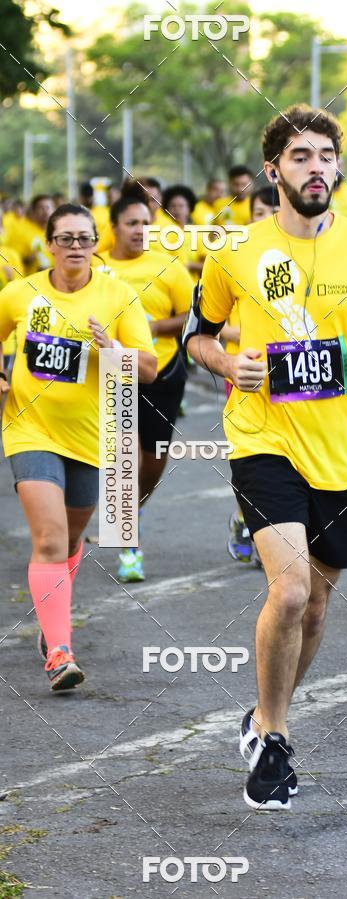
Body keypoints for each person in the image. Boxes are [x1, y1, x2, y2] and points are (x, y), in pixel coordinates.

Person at [184, 104, 347, 809]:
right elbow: (198, 338)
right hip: (264, 438)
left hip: (344, 451)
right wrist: (230, 364)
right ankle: (276, 736)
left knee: (316, 610)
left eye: (325, 155)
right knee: (288, 591)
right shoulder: (237, 251)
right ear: (274, 170)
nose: (315, 166)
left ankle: (261, 716)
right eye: (300, 156)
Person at [0, 203, 156, 690]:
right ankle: (60, 652)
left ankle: (53, 625)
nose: (74, 247)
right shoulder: (19, 294)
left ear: (96, 244)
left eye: (83, 238)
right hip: (30, 428)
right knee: (47, 539)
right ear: (48, 244)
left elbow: (149, 368)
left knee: (69, 541)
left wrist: (115, 353)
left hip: (94, 437)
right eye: (64, 238)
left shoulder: (118, 295)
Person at [97, 196, 194, 582]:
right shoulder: (97, 267)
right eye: (131, 223)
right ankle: (129, 544)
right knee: (127, 455)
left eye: (145, 223)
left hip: (164, 371)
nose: (140, 230)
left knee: (153, 462)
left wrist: (150, 329)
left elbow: (191, 315)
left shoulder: (167, 266)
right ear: (114, 226)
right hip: (114, 373)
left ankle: (130, 509)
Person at [224, 185, 280, 565]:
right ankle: (249, 517)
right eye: (260, 211)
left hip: (296, 373)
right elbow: (209, 328)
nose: (267, 219)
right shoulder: (234, 256)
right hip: (244, 370)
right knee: (252, 450)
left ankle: (272, 523)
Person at [4, 194, 54, 274]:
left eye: (48, 207)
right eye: (41, 208)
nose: (45, 211)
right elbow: (11, 259)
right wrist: (27, 260)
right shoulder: (21, 230)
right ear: (33, 211)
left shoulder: (56, 232)